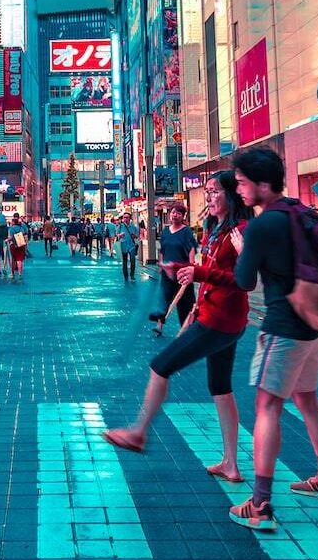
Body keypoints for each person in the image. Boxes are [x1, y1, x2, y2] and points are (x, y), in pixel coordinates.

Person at [229, 147, 318, 531]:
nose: (240, 190)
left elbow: (244, 281)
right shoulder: (300, 211)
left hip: (283, 328)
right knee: (307, 399)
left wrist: (241, 251)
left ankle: (261, 504)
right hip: (314, 323)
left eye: (243, 183)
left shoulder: (264, 225)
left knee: (267, 407)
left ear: (264, 184)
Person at [104, 171, 251, 481]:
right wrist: (186, 269)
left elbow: (243, 280)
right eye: (207, 192)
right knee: (220, 387)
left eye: (214, 192)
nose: (209, 197)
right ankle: (231, 464)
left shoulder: (240, 231)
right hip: (222, 316)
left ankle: (139, 432)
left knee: (160, 365)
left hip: (220, 319)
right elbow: (211, 268)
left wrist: (199, 275)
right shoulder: (217, 229)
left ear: (232, 196)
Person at [153, 206, 198, 335]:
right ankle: (159, 325)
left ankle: (187, 328)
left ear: (183, 216)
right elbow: (162, 249)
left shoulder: (187, 231)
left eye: (179, 213)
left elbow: (191, 249)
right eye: (173, 212)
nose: (175, 215)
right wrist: (161, 264)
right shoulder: (166, 231)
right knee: (164, 298)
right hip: (167, 272)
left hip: (183, 271)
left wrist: (191, 265)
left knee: (185, 302)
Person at [117, 213, 141, 282]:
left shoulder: (133, 227)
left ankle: (132, 275)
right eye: (124, 217)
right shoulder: (120, 226)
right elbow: (117, 235)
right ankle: (126, 276)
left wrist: (134, 236)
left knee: (133, 260)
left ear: (130, 218)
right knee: (124, 261)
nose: (125, 219)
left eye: (127, 217)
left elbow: (137, 236)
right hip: (124, 245)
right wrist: (120, 235)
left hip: (132, 245)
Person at [7, 214, 28, 281]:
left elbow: (10, 237)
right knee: (20, 260)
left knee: (13, 260)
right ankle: (20, 274)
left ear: (13, 223)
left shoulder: (11, 229)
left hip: (13, 245)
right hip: (21, 245)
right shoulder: (21, 228)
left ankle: (12, 274)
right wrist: (26, 244)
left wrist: (7, 240)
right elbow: (25, 236)